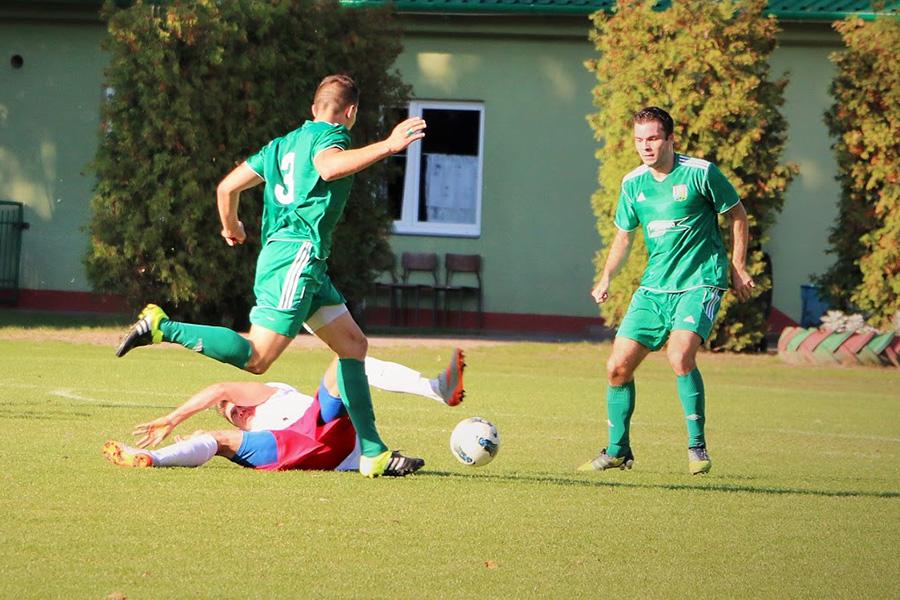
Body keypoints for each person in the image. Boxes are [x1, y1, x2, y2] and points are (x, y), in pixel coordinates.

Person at [114, 74, 428, 478]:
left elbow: (227, 188)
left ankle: (373, 453)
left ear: (313, 108)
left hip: (300, 262)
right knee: (258, 358)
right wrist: (388, 145)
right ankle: (162, 326)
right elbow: (329, 169)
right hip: (297, 257)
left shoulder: (280, 146)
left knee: (353, 345)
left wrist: (231, 227)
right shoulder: (332, 137)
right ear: (349, 113)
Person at [579, 107, 754, 475]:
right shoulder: (633, 184)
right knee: (616, 368)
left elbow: (738, 214)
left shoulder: (700, 173)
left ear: (671, 139)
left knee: (679, 356)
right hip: (654, 289)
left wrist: (737, 266)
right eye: (640, 139)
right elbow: (624, 237)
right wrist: (607, 276)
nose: (646, 146)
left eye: (653, 138)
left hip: (700, 281)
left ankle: (697, 447)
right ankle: (617, 451)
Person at [103, 349, 465, 474]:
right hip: (287, 449)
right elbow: (211, 441)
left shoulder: (276, 394)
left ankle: (436, 388)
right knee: (215, 440)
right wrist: (192, 437)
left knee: (346, 359)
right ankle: (149, 458)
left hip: (324, 432)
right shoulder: (254, 433)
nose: (235, 410)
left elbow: (219, 389)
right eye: (229, 412)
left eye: (236, 405)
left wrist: (173, 418)